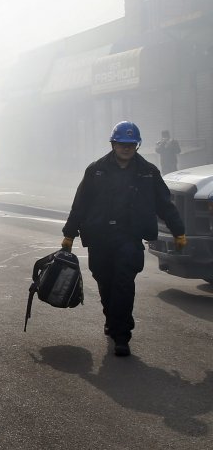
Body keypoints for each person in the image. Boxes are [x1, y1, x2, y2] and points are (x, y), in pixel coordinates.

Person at [61, 120, 186, 357]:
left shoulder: (148, 172)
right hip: (99, 236)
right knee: (104, 280)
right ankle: (112, 317)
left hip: (130, 237)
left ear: (136, 145)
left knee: (123, 283)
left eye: (131, 144)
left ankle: (122, 335)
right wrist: (69, 234)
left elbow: (165, 205)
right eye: (121, 143)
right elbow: (80, 204)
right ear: (113, 143)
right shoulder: (95, 170)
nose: (126, 148)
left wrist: (178, 231)